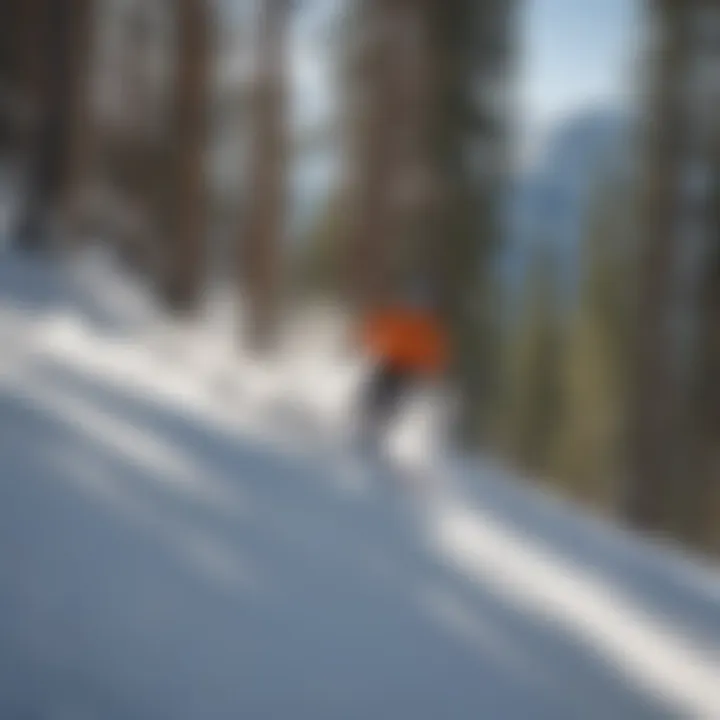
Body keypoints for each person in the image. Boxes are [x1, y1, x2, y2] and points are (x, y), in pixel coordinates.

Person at [356, 289, 449, 454]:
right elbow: (380, 327)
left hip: (407, 371)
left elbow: (433, 356)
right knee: (373, 391)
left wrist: (431, 377)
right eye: (415, 303)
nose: (417, 309)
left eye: (421, 306)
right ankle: (362, 421)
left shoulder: (426, 330)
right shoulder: (400, 317)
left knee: (391, 401)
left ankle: (376, 432)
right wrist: (366, 341)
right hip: (389, 362)